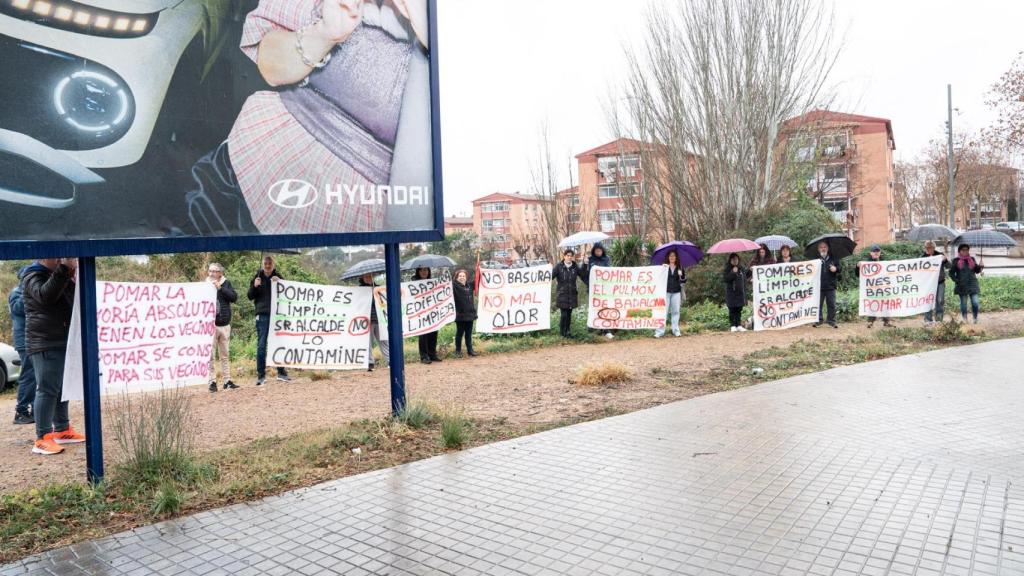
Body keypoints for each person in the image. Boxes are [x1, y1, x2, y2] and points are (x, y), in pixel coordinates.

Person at [22, 258, 85, 455]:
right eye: (57, 256)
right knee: (47, 389)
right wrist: (64, 269)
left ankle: (62, 429)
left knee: (61, 387)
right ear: (44, 256)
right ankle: (42, 437)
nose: (61, 258)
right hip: (45, 342)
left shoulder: (59, 274)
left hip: (62, 340)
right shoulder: (32, 275)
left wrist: (73, 276)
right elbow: (46, 295)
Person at [247, 255, 290, 385]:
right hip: (262, 315)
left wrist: (281, 282)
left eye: (269, 263)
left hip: (276, 315)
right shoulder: (257, 278)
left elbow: (287, 293)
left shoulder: (279, 277)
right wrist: (255, 286)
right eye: (265, 263)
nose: (267, 265)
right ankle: (261, 376)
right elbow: (249, 296)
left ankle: (281, 373)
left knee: (278, 342)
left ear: (273, 265)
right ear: (262, 264)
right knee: (261, 345)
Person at [8, 267, 35, 424]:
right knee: (28, 376)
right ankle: (22, 411)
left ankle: (33, 409)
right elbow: (19, 310)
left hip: (31, 339)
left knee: (35, 376)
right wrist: (28, 290)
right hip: (24, 340)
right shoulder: (16, 293)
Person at [207, 263, 238, 392]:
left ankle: (227, 380)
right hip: (210, 325)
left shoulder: (226, 283)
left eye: (215, 271)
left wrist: (221, 288)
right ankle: (212, 382)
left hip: (224, 324)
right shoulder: (204, 285)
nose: (212, 273)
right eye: (210, 271)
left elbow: (234, 297)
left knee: (225, 355)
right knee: (210, 356)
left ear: (220, 273)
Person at [359, 272, 389, 372]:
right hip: (366, 321)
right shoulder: (359, 291)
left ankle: (390, 361)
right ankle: (369, 363)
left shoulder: (379, 289)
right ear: (362, 278)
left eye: (370, 276)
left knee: (384, 340)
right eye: (366, 276)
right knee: (368, 342)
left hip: (380, 319)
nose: (368, 278)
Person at [553, 249, 586, 338]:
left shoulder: (575, 267)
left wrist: (584, 266)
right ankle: (562, 332)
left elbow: (582, 275)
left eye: (571, 256)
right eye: (568, 255)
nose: (569, 257)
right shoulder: (559, 267)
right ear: (564, 256)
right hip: (562, 294)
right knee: (564, 314)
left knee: (569, 314)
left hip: (572, 294)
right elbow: (550, 276)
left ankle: (568, 332)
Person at [856, 245, 891, 328]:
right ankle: (870, 321)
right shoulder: (866, 263)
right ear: (870, 253)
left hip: (882, 288)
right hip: (872, 289)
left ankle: (886, 321)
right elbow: (858, 275)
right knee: (873, 304)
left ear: (880, 253)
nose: (876, 253)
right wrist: (858, 267)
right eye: (874, 251)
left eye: (877, 251)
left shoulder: (884, 263)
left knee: (885, 304)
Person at [949, 243, 983, 324]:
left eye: (967, 250)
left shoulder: (972, 259)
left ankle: (975, 318)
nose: (965, 251)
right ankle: (965, 319)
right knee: (963, 304)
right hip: (962, 285)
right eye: (963, 250)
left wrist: (980, 266)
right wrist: (957, 280)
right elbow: (951, 273)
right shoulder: (956, 261)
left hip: (972, 284)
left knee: (975, 302)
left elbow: (976, 271)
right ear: (959, 251)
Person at [414, 267, 442, 364]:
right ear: (418, 272)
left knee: (434, 333)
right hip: (420, 313)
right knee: (423, 335)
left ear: (429, 271)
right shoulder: (413, 283)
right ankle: (424, 356)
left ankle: (432, 354)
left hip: (432, 311)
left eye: (426, 270)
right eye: (421, 270)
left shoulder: (432, 282)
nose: (424, 272)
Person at [654, 250, 685, 338]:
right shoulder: (664, 267)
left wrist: (681, 278)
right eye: (670, 256)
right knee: (663, 312)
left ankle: (675, 330)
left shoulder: (680, 267)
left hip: (676, 292)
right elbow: (659, 279)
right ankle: (659, 332)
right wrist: (662, 269)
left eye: (674, 256)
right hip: (665, 292)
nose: (672, 257)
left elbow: (684, 280)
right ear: (668, 257)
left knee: (676, 312)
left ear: (676, 257)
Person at [587, 243, 614, 339]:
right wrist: (584, 264)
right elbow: (586, 274)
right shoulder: (589, 260)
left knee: (605, 309)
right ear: (594, 251)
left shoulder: (606, 259)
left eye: (600, 250)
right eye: (596, 251)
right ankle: (591, 330)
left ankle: (606, 330)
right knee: (593, 309)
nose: (598, 252)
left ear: (602, 251)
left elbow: (610, 273)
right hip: (593, 290)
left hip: (604, 290)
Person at [812, 241, 840, 328]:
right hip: (818, 286)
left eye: (825, 247)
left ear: (827, 248)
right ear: (818, 249)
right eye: (821, 247)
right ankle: (818, 321)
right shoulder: (815, 259)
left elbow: (839, 268)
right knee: (818, 304)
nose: (823, 248)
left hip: (831, 285)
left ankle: (831, 321)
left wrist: (835, 269)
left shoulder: (834, 258)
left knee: (831, 304)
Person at [922, 241, 949, 325]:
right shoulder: (922, 257)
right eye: (927, 248)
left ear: (934, 248)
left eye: (930, 247)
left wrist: (945, 260)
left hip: (940, 282)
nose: (928, 249)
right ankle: (928, 319)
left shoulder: (940, 255)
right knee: (928, 301)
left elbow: (949, 266)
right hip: (928, 284)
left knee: (940, 300)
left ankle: (939, 319)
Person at [452, 269, 477, 357]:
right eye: (460, 276)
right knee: (459, 333)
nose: (462, 277)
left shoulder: (470, 285)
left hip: (470, 314)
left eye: (463, 276)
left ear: (466, 277)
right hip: (460, 315)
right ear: (457, 277)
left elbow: (477, 280)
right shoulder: (454, 285)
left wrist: (479, 270)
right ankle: (458, 351)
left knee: (468, 334)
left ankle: (470, 350)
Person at [723, 253, 747, 332]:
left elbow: (745, 278)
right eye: (733, 259)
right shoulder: (727, 269)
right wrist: (733, 272)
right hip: (731, 293)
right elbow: (726, 279)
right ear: (730, 260)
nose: (735, 261)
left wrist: (750, 270)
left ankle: (738, 324)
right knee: (732, 309)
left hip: (740, 293)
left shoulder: (741, 268)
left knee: (739, 309)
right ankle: (732, 325)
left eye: (736, 259)